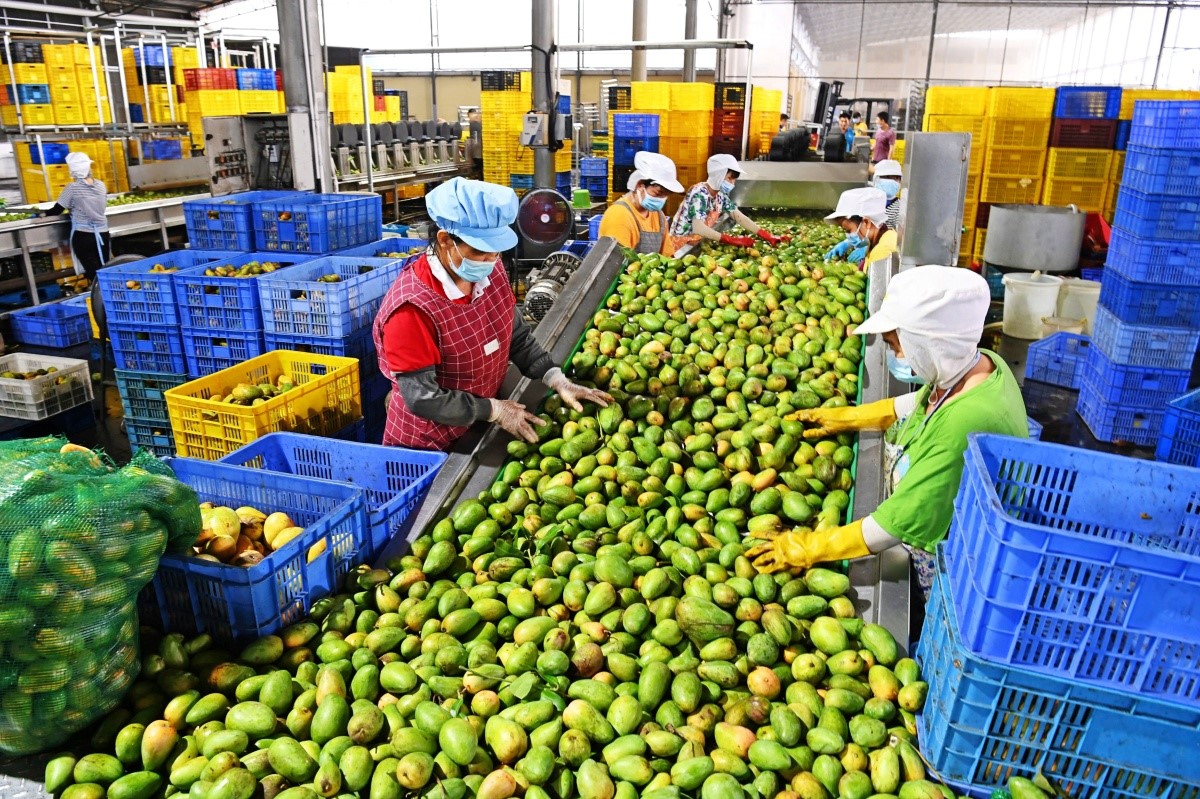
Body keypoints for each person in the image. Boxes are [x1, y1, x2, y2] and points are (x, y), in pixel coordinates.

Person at [747, 265, 1028, 595]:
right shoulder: (981, 363)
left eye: (897, 345)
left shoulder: (964, 423)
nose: (894, 354)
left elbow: (894, 525)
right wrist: (852, 417)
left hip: (967, 563)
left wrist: (811, 546)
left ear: (931, 343)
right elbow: (927, 403)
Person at [373, 177, 611, 451]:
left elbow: (515, 334)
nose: (490, 259)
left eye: (495, 251)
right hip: (430, 443)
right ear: (445, 240)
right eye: (480, 251)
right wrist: (494, 410)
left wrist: (555, 377)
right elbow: (423, 398)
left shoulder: (490, 269)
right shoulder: (412, 309)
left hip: (478, 425)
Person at [669, 154, 788, 252]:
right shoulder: (699, 193)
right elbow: (698, 228)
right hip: (680, 246)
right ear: (718, 175)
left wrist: (766, 235)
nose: (733, 183)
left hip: (695, 243)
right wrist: (732, 240)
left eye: (735, 179)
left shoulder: (720, 195)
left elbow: (739, 216)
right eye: (730, 178)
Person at [597, 151, 683, 255]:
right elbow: (616, 263)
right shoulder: (619, 215)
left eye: (666, 195)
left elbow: (667, 256)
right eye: (658, 193)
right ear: (640, 185)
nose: (661, 199)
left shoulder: (658, 216)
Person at [42, 152, 109, 283]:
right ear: (88, 168)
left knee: (94, 274)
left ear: (72, 171)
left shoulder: (72, 188)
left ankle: (99, 298)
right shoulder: (101, 185)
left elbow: (57, 209)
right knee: (104, 269)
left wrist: (42, 214)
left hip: (84, 236)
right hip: (103, 234)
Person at [822, 187, 897, 269]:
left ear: (866, 222)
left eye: (848, 230)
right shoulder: (883, 237)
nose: (848, 235)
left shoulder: (882, 252)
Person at [873, 158, 903, 229]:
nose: (891, 181)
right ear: (876, 179)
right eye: (887, 177)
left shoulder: (900, 208)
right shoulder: (869, 202)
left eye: (896, 178)